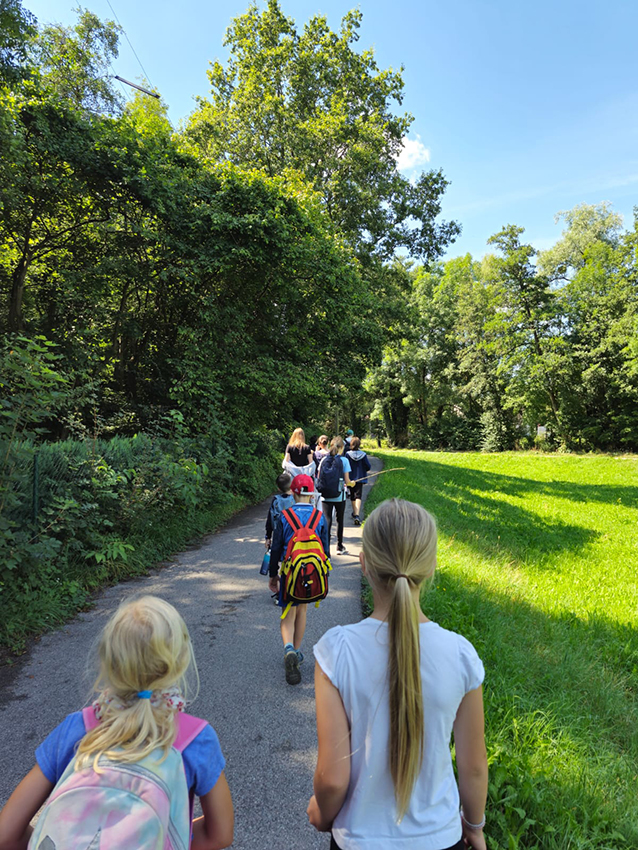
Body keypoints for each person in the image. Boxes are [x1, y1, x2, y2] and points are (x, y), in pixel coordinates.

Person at [307, 499, 488, 850]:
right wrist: (474, 827)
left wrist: (322, 814)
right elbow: (474, 767)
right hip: (442, 838)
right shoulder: (460, 654)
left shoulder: (337, 650)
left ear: (364, 564)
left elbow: (332, 780)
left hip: (359, 841)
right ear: (431, 566)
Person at [0, 596, 234, 850]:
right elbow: (218, 835)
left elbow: (6, 835)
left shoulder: (75, 729)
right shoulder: (195, 739)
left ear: (107, 662)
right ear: (179, 663)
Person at [268, 474, 329, 686]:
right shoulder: (319, 517)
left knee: (288, 611)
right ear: (312, 495)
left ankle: (288, 650)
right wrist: (324, 575)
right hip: (310, 574)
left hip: (289, 572)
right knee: (302, 610)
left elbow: (276, 549)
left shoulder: (284, 516)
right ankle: (297, 650)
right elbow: (325, 551)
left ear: (293, 493)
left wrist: (273, 575)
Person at [317, 436, 352, 556]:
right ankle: (339, 546)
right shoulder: (344, 461)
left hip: (325, 495)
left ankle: (325, 549)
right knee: (339, 520)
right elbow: (347, 481)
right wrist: (351, 483)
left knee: (327, 519)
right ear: (342, 448)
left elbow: (319, 477)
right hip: (339, 495)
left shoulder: (323, 460)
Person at [264, 471, 295, 551]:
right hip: (294, 535)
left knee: (277, 555)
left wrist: (268, 537)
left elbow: (270, 519)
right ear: (291, 485)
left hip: (278, 535)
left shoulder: (276, 500)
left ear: (278, 488)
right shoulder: (295, 498)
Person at [345, 436, 371, 526]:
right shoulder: (363, 454)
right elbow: (368, 466)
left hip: (350, 478)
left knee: (352, 496)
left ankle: (354, 513)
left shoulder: (347, 454)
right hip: (360, 478)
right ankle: (357, 514)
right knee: (358, 496)